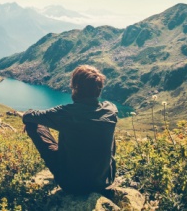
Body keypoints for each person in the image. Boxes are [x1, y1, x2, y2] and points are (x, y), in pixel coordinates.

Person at [22, 65, 117, 195]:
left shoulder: (66, 113)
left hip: (72, 184)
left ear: (76, 89)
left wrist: (30, 121)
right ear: (98, 90)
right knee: (106, 128)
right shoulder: (111, 110)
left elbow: (28, 116)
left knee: (33, 124)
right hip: (104, 181)